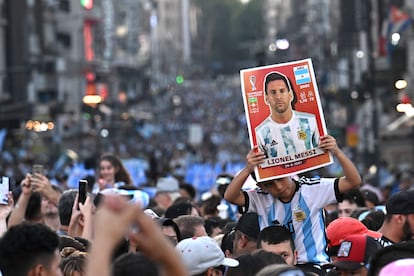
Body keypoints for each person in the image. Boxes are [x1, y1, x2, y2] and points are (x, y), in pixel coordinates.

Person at [224, 134, 361, 273]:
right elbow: (230, 196)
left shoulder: (312, 189)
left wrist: (336, 151)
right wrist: (248, 169)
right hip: (272, 267)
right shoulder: (260, 198)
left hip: (312, 266)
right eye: (270, 184)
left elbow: (353, 181)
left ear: (288, 171)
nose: (278, 186)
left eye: (280, 178)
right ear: (261, 186)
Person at [255, 71, 322, 159]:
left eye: (282, 91)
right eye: (273, 92)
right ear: (266, 98)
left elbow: (323, 154)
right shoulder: (260, 133)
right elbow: (260, 166)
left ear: (290, 95)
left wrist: (332, 147)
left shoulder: (311, 121)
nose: (278, 97)